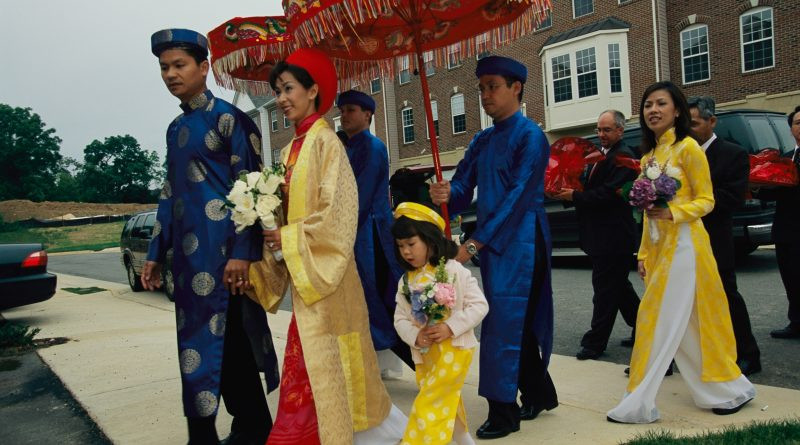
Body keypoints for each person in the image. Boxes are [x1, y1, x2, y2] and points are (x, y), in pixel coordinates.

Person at [246, 48, 406, 445]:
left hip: (328, 278)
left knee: (331, 360)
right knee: (315, 362)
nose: (281, 98)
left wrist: (285, 236)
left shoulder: (326, 144)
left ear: (313, 90)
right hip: (307, 275)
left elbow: (338, 215)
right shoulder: (288, 150)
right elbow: (290, 214)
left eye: (288, 88)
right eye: (277, 90)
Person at [141, 28, 279, 445]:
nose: (170, 74)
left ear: (204, 68)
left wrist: (242, 253)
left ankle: (246, 428)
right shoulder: (174, 129)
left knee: (231, 344)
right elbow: (169, 193)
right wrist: (154, 251)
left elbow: (253, 190)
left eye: (179, 65)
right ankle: (227, 429)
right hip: (186, 261)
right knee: (196, 345)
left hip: (225, 258)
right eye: (164, 67)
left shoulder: (230, 120)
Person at [606, 81, 755, 424]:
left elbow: (707, 199)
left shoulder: (689, 148)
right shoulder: (648, 157)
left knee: (653, 319)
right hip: (659, 249)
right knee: (687, 326)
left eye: (661, 103)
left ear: (676, 111)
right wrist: (643, 254)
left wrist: (674, 211)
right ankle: (727, 390)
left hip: (686, 246)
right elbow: (646, 214)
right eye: (647, 105)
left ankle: (637, 400)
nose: (653, 110)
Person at [429, 55, 557, 440]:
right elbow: (463, 187)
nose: (485, 95)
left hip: (523, 238)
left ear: (516, 87)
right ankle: (538, 393)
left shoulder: (530, 136)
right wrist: (446, 191)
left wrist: (474, 243)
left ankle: (505, 412)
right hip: (497, 239)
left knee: (505, 323)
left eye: (493, 87)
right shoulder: (482, 139)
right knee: (514, 323)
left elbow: (517, 197)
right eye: (481, 88)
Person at [391, 202, 489, 445]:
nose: (406, 252)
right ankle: (465, 440)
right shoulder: (406, 280)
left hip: (455, 350)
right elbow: (400, 317)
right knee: (446, 401)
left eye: (411, 244)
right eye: (401, 246)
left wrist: (450, 326)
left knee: (429, 404)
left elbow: (479, 306)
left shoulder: (454, 270)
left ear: (431, 241)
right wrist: (414, 336)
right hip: (425, 355)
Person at [552, 110, 640, 360]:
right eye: (599, 130)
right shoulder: (599, 156)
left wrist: (575, 197)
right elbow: (590, 187)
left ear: (620, 131)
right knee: (619, 288)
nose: (601, 134)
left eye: (607, 130)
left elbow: (608, 195)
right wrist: (567, 191)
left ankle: (594, 343)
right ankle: (644, 330)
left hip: (614, 238)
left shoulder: (623, 157)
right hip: (598, 236)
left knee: (604, 291)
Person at [336, 90, 413, 376]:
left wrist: (336, 232)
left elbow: (360, 198)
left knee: (384, 301)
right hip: (354, 235)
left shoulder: (373, 147)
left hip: (371, 237)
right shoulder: (347, 147)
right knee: (369, 303)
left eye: (351, 110)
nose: (344, 115)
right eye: (342, 110)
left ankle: (425, 366)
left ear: (367, 114)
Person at [688, 96, 762, 374]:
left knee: (726, 295)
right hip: (681, 239)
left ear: (712, 121)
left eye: (694, 123)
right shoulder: (680, 153)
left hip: (714, 237)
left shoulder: (732, 153)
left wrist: (689, 202)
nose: (689, 129)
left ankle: (747, 354)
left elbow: (731, 198)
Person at [757, 105, 800, 339]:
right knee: (791, 277)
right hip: (786, 228)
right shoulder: (786, 158)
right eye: (798, 123)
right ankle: (796, 322)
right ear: (791, 129)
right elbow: (776, 192)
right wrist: (755, 187)